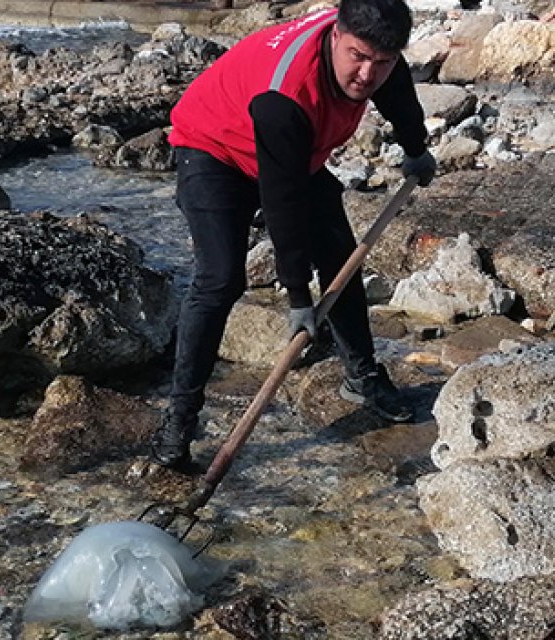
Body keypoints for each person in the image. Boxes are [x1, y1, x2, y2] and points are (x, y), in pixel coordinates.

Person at [151, 0, 437, 471]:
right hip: (214, 148)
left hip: (290, 152)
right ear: (336, 36)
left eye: (382, 61)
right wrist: (298, 297)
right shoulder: (285, 95)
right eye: (357, 57)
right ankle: (179, 418)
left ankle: (362, 376)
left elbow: (397, 88)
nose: (367, 74)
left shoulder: (377, 56)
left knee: (339, 254)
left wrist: (415, 148)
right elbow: (282, 202)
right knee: (220, 279)